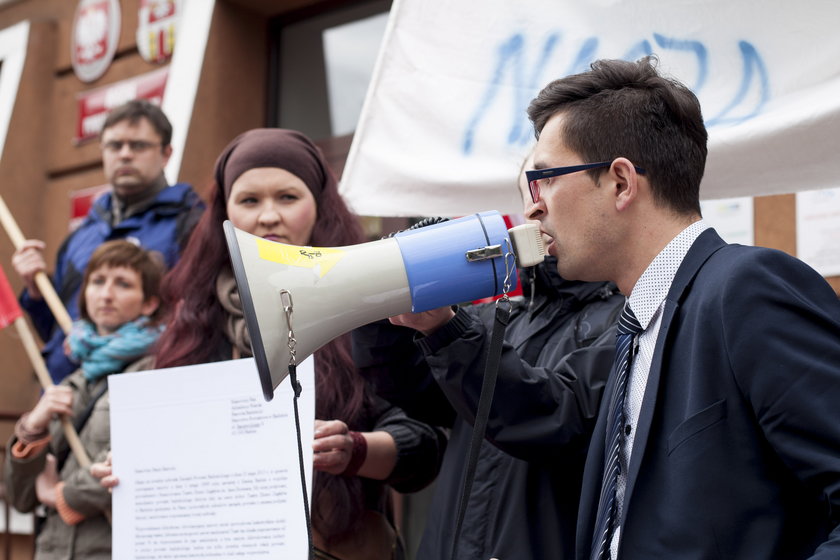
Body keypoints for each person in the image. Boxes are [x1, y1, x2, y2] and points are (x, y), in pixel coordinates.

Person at [507, 56, 840, 559]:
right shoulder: (636, 328)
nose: (533, 207)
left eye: (546, 179)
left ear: (620, 182)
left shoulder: (744, 289)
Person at [93, 128, 444, 560]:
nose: (268, 216)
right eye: (250, 201)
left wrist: (353, 450)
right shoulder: (193, 319)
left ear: (320, 207)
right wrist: (131, 466)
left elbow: (424, 445)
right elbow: (176, 445)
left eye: (287, 197)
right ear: (225, 213)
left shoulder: (368, 309)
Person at [352, 157, 625, 559]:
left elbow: (551, 415)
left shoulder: (628, 320)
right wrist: (382, 307)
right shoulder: (499, 314)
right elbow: (411, 385)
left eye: (548, 186)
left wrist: (446, 331)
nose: (533, 210)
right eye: (526, 193)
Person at [11, 99, 203, 384]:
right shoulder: (81, 236)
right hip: (64, 399)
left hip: (139, 397)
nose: (125, 155)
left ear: (166, 154)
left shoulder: (193, 226)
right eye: (114, 146)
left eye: (138, 146)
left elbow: (199, 324)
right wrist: (36, 292)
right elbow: (56, 332)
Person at [4, 240, 166, 560]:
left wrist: (61, 494)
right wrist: (32, 429)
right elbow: (21, 497)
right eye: (97, 281)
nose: (106, 294)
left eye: (123, 284)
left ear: (148, 303)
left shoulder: (158, 371)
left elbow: (140, 463)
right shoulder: (72, 379)